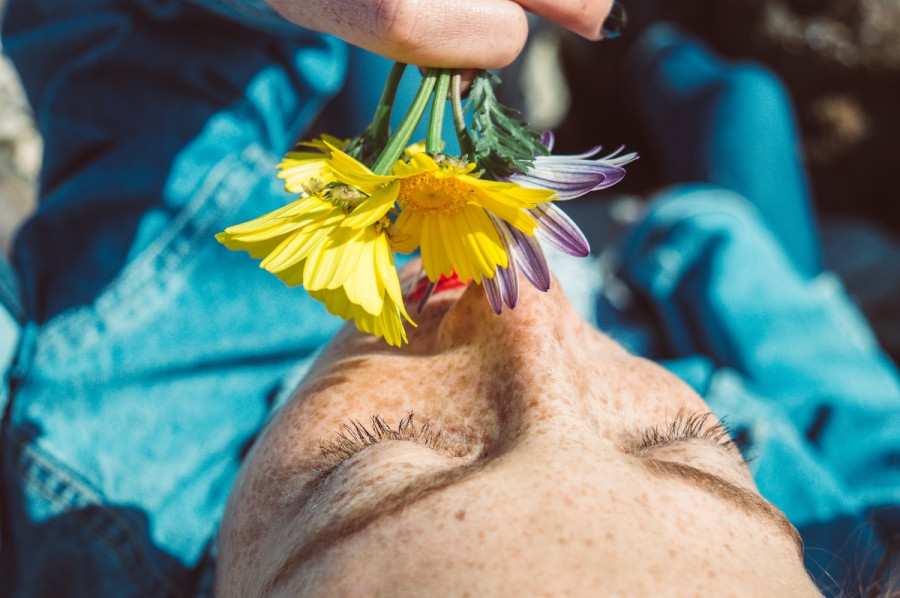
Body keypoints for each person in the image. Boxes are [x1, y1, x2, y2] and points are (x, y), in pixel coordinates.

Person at [0, 1, 896, 597]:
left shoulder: (113, 383)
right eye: (692, 449)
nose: (525, 304)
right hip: (671, 265)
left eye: (374, 461)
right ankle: (647, 45)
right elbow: (814, 358)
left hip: (507, 212)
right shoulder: (867, 522)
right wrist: (689, 236)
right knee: (745, 99)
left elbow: (122, 34)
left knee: (398, 45)